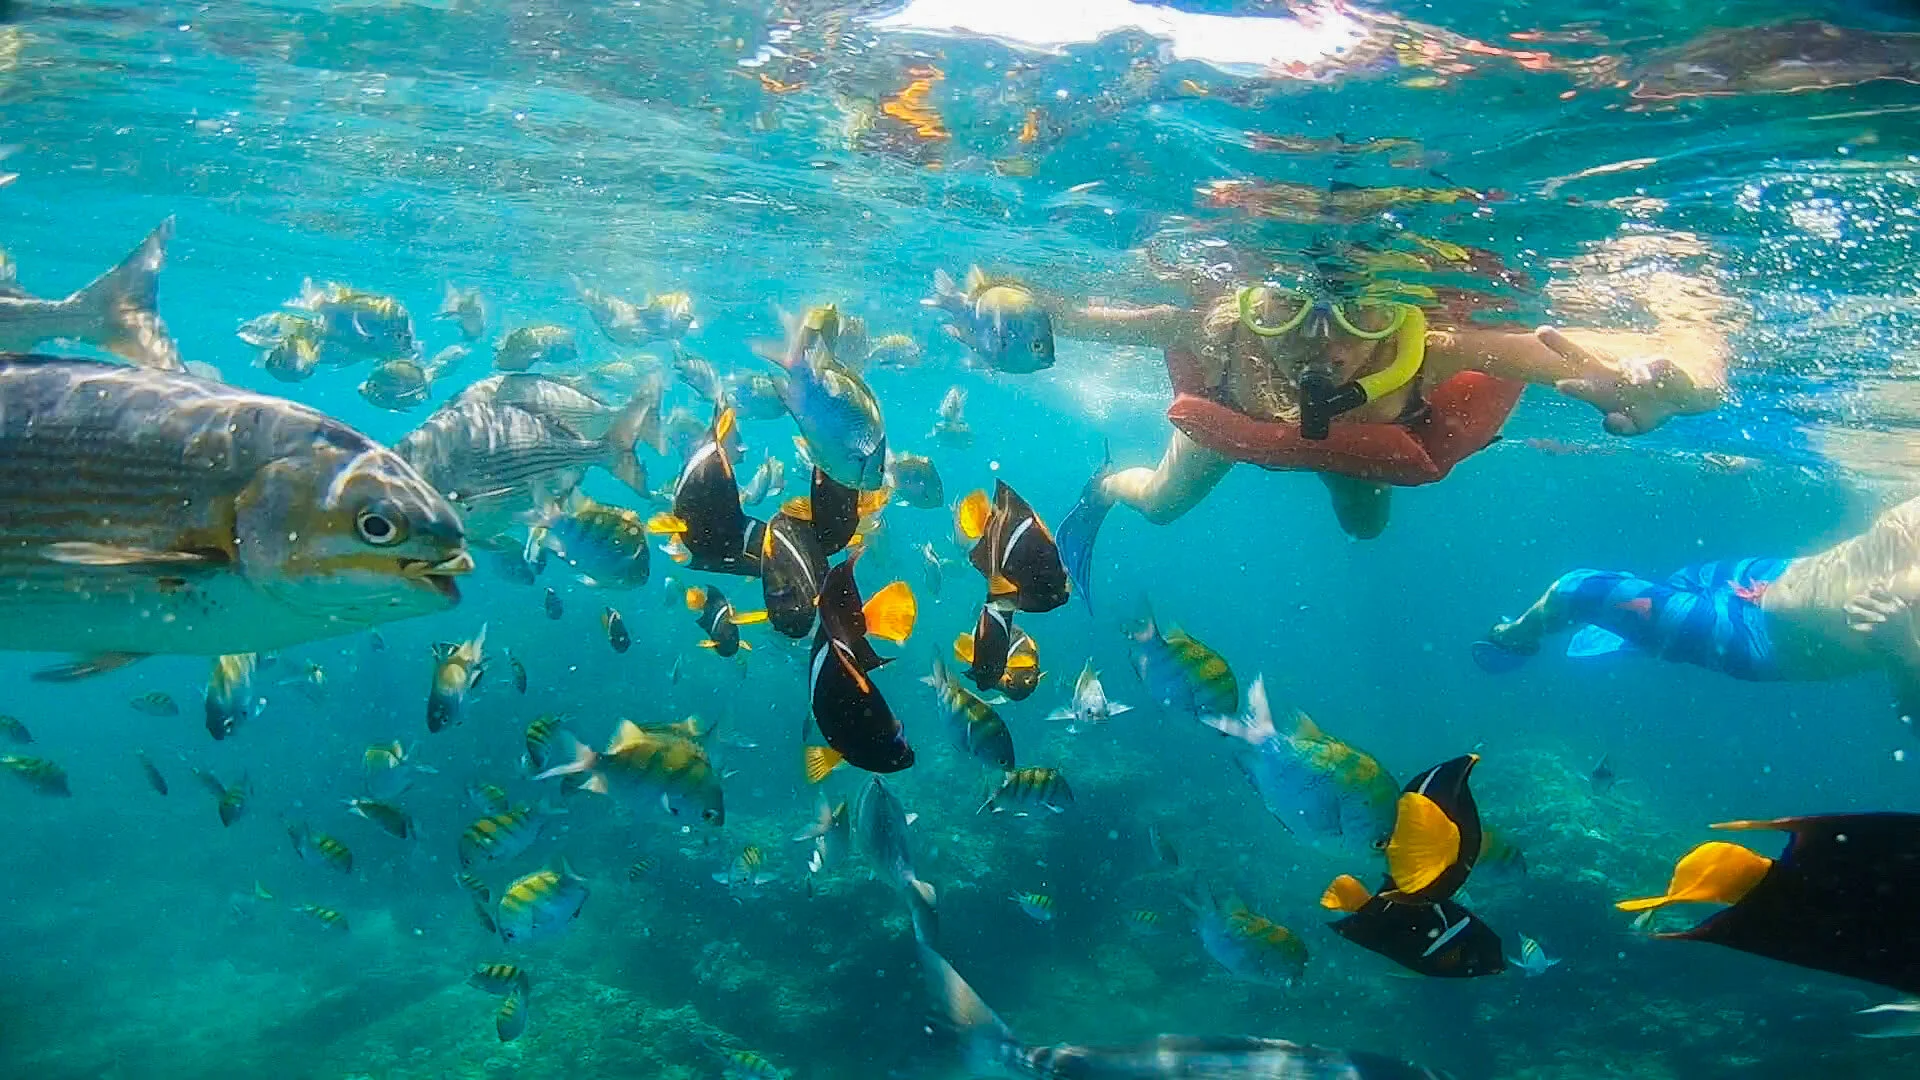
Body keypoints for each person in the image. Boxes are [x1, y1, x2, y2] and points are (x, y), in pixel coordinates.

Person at [1049, 244, 1730, 600]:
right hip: (1236, 421)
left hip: (1359, 448)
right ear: (1250, 308)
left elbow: (1549, 352)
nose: (1325, 343)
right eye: (1286, 309)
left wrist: (1682, 385)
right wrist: (994, 304)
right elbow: (1074, 315)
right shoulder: (1216, 334)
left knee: (1364, 525)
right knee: (1162, 503)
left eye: (1365, 313)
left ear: (1402, 317)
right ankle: (1105, 485)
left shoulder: (1433, 351)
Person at [1472, 493, 1920, 727]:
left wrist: (1906, 650)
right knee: (1682, 580)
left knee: (1579, 589)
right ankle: (1640, 632)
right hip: (1778, 576)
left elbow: (1913, 720)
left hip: (1755, 639)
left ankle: (1518, 637)